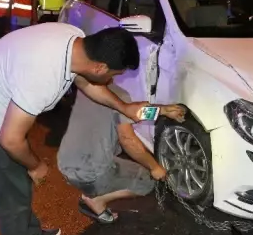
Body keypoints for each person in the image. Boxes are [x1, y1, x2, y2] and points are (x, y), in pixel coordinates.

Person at [0, 24, 153, 235]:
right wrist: (36, 166)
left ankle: (32, 234)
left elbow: (86, 82)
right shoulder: (41, 77)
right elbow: (10, 140)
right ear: (99, 66)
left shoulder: (75, 39)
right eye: (113, 75)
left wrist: (123, 107)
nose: (111, 80)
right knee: (11, 201)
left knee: (18, 185)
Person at [58, 90, 184, 223]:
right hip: (90, 172)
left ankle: (94, 188)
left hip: (66, 162)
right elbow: (127, 139)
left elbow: (127, 111)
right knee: (147, 180)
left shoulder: (87, 87)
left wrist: (162, 111)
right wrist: (154, 167)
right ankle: (96, 201)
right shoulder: (118, 94)